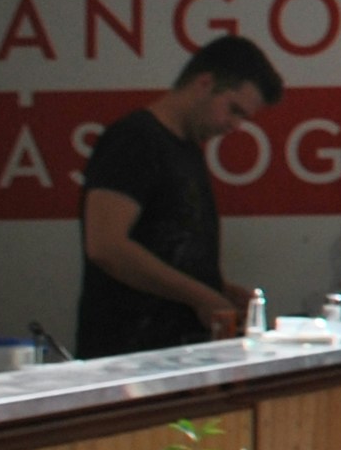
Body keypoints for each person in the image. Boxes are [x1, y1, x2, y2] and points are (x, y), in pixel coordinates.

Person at [74, 35, 285, 357]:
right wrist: (202, 296)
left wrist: (219, 290)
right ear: (204, 83)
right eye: (233, 110)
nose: (235, 126)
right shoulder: (135, 140)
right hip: (130, 356)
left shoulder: (185, 149)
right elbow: (106, 246)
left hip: (173, 354)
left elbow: (166, 247)